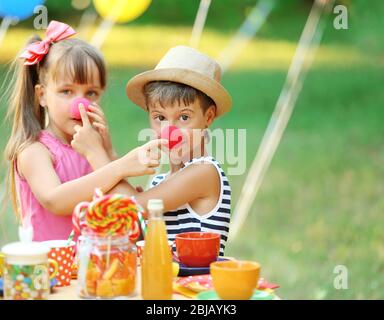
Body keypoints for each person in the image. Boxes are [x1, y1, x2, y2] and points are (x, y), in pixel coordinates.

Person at [3, 21, 164, 241]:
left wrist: (105, 151)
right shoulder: (34, 150)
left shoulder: (92, 146)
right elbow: (55, 200)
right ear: (41, 95)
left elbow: (131, 212)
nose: (80, 104)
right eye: (66, 91)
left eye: (91, 93)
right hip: (51, 270)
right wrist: (121, 166)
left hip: (97, 267)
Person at [78, 46, 233, 255]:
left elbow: (130, 210)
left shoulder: (204, 172)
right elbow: (139, 233)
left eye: (184, 117)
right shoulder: (159, 182)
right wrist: (107, 149)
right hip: (161, 283)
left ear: (208, 116)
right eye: (160, 118)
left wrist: (95, 154)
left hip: (195, 287)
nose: (170, 131)